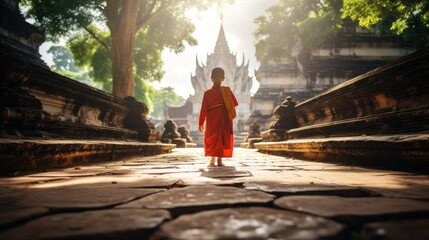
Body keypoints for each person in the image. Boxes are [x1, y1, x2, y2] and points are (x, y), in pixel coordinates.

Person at [199, 67, 238, 166]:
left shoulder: (207, 93)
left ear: (211, 78)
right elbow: (234, 104)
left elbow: (203, 109)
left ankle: (213, 158)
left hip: (212, 118)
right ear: (223, 78)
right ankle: (219, 159)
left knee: (213, 137)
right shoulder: (227, 91)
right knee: (221, 137)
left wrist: (201, 122)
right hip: (223, 117)